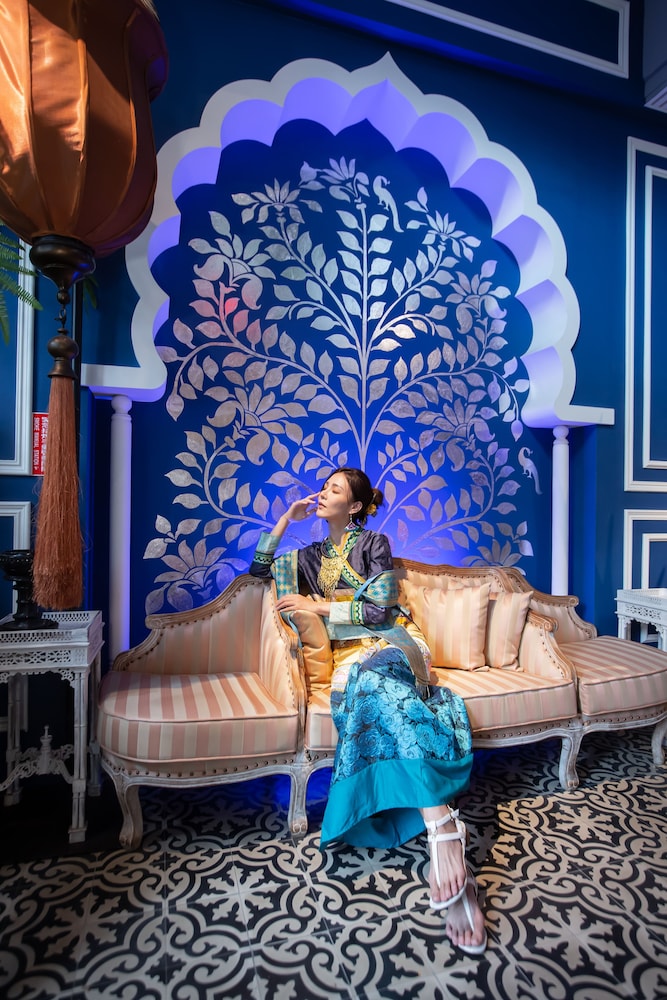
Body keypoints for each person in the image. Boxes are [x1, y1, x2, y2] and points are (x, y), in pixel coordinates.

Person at [249, 467, 487, 955]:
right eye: (324, 487)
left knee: (378, 681)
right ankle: (442, 826)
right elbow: (258, 570)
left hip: (394, 642)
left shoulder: (375, 543)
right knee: (369, 689)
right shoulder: (309, 557)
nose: (322, 494)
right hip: (347, 660)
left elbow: (380, 612)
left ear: (354, 506)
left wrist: (318, 607)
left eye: (334, 490)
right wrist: (286, 519)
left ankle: (442, 832)